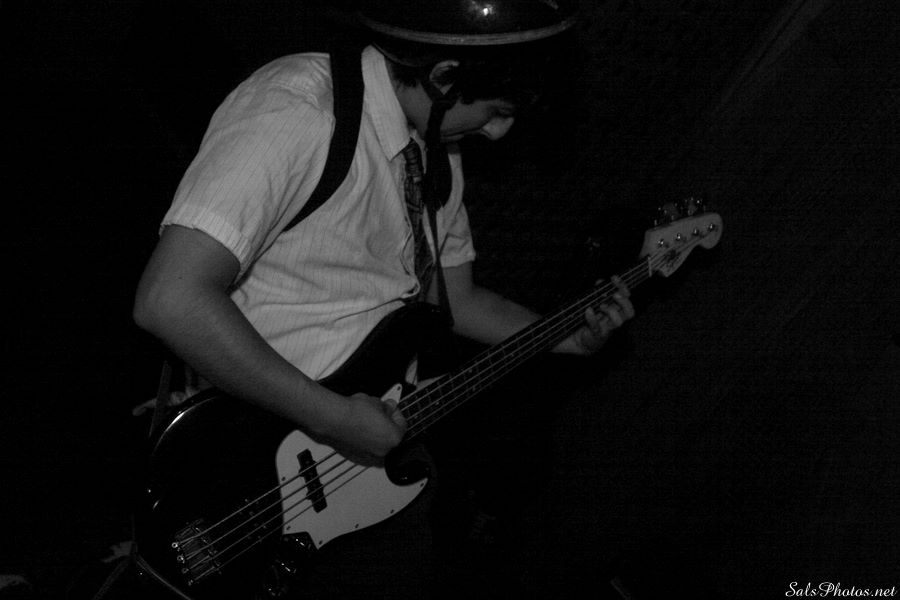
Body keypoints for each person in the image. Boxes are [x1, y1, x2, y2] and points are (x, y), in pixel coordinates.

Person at [133, 0, 634, 595]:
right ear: (444, 76)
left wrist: (567, 336)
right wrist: (335, 417)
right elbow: (171, 298)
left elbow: (456, 300)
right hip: (251, 466)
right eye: (498, 111)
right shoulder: (300, 109)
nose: (501, 132)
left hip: (363, 470)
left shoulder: (437, 153)